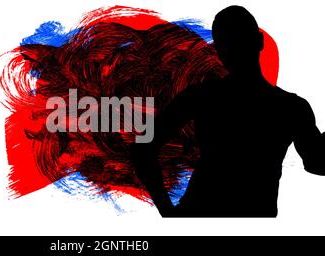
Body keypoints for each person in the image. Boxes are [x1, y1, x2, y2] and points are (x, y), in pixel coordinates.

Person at [131, 5, 325, 217]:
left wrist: (168, 213)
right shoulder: (291, 108)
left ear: (220, 52)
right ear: (259, 41)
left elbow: (143, 148)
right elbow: (318, 163)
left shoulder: (202, 96)